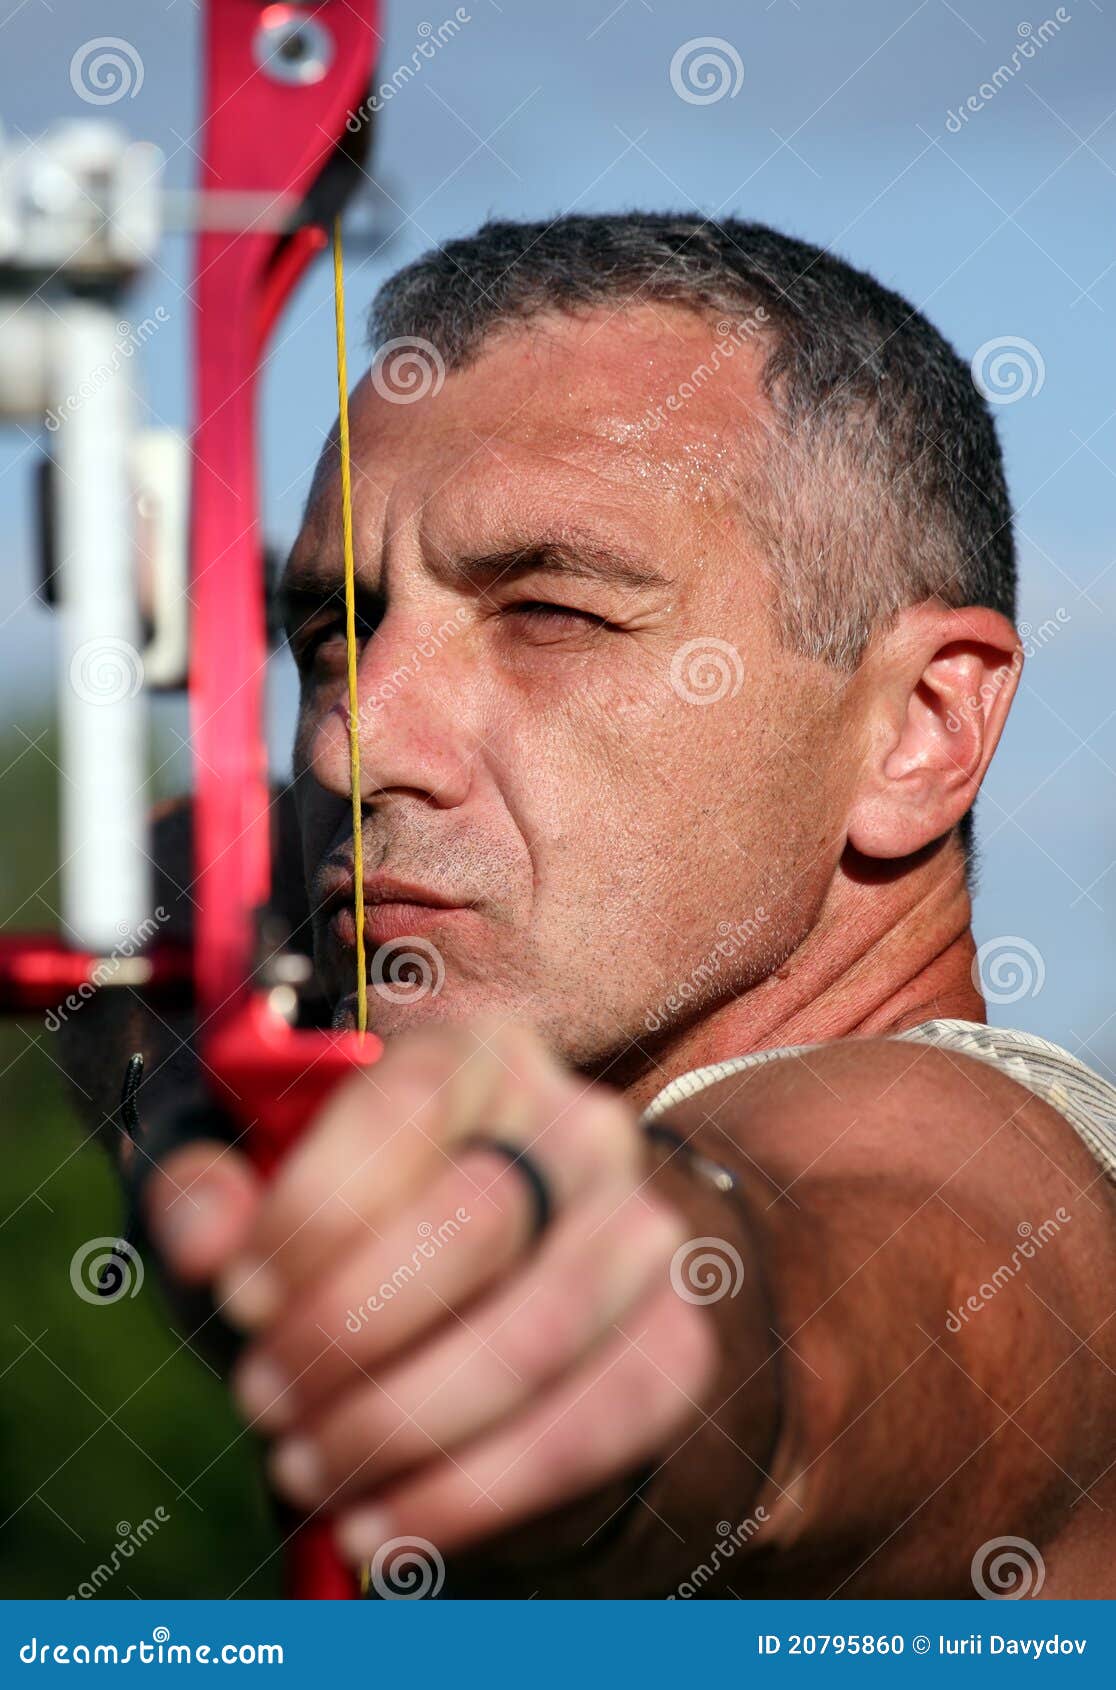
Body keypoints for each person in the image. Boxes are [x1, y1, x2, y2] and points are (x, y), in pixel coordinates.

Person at [91, 215, 1116, 1596]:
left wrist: (603, 1320)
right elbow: (191, 870)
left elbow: (828, 1330)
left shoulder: (993, 1183)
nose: (351, 744)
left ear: (921, 728)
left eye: (550, 614)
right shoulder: (310, 932)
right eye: (337, 634)